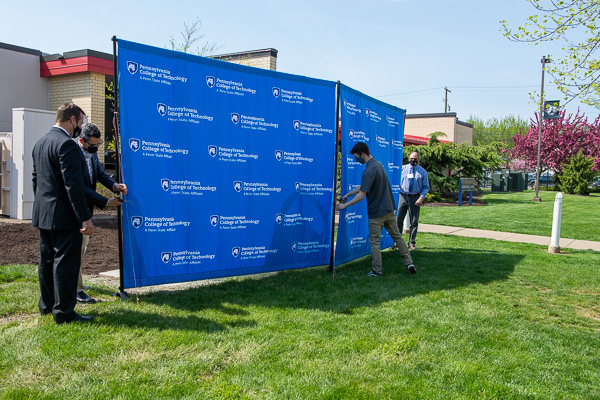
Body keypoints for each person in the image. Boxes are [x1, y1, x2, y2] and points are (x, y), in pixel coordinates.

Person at [32, 103, 95, 324]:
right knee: (65, 264)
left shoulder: (40, 143)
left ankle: (47, 305)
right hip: (65, 217)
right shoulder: (67, 145)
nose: (81, 126)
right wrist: (84, 217)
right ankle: (64, 313)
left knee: (46, 261)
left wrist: (43, 206)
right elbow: (73, 187)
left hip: (44, 214)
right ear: (71, 119)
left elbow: (36, 180)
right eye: (81, 121)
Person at [337, 142, 416, 276]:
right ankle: (409, 263)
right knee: (398, 237)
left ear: (363, 154)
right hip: (389, 210)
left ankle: (377, 271)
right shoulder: (378, 165)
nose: (356, 160)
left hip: (376, 214)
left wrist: (344, 205)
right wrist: (347, 195)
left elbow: (361, 195)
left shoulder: (368, 170)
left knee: (374, 242)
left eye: (356, 157)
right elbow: (363, 186)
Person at [76, 123, 127, 303]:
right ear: (81, 141)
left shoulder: (91, 153)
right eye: (92, 146)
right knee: (75, 250)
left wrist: (114, 185)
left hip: (87, 208)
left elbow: (98, 173)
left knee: (81, 249)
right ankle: (77, 290)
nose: (95, 148)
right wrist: (105, 202)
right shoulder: (73, 154)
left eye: (98, 145)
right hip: (76, 209)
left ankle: (76, 282)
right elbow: (80, 188)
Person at [397, 151, 430, 251]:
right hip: (402, 196)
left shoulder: (423, 172)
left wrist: (421, 198)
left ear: (418, 159)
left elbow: (426, 187)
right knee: (398, 220)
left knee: (414, 221)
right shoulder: (402, 169)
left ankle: (411, 243)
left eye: (415, 159)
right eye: (411, 159)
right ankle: (397, 242)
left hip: (415, 197)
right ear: (409, 159)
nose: (413, 161)